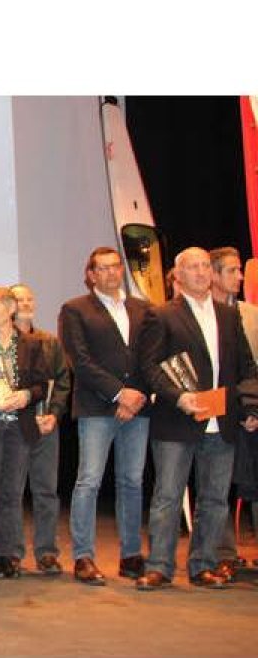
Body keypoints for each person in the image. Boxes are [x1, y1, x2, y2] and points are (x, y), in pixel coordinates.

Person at [136, 247, 258, 591]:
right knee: (168, 495)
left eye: (206, 266)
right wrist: (180, 397)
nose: (202, 272)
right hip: (177, 419)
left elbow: (246, 368)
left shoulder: (228, 315)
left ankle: (203, 563)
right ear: (178, 275)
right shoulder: (160, 316)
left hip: (222, 419)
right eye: (193, 267)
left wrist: (249, 408)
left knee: (215, 498)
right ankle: (160, 566)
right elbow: (149, 367)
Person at [57, 247, 152, 585]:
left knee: (131, 481)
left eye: (116, 267)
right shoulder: (75, 309)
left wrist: (136, 395)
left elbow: (150, 358)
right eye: (104, 268)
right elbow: (80, 360)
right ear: (91, 274)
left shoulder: (143, 309)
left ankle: (130, 555)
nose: (112, 273)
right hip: (98, 406)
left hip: (138, 407)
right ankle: (83, 556)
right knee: (89, 480)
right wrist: (118, 393)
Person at [0, 287, 50, 580]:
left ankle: (12, 554)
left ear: (11, 308)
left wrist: (26, 396)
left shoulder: (31, 343)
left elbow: (41, 385)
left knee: (12, 492)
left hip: (19, 425)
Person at [9, 283, 71, 576]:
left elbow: (62, 381)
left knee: (46, 490)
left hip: (46, 424)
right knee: (12, 490)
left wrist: (54, 414)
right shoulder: (1, 342)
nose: (25, 303)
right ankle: (11, 551)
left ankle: (47, 551)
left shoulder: (49, 341)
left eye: (29, 298)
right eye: (19, 299)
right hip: (13, 425)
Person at [208, 246, 258, 579]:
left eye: (240, 270)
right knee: (217, 483)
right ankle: (222, 552)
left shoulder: (252, 315)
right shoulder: (199, 313)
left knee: (254, 480)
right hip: (216, 411)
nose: (239, 277)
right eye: (232, 270)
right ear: (213, 274)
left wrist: (252, 407)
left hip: (252, 411)